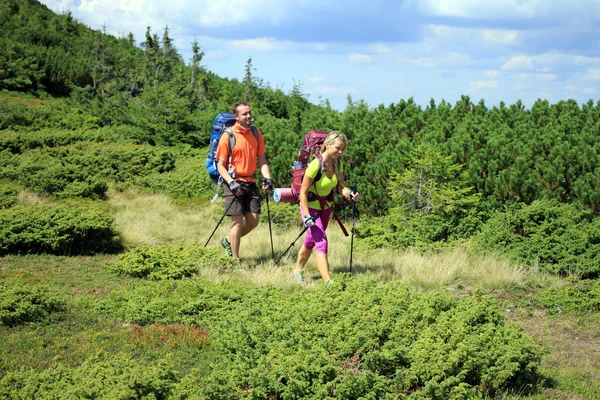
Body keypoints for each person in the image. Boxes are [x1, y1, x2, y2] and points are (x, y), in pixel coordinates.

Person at [292, 131, 358, 287]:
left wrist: (349, 193)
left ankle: (297, 270)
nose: (340, 152)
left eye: (343, 149)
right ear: (327, 145)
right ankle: (329, 282)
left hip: (326, 208)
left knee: (311, 241)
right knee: (321, 242)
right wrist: (307, 215)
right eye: (338, 148)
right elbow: (303, 192)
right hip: (311, 209)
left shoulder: (337, 163)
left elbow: (340, 187)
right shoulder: (316, 164)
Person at [216, 101, 273, 263]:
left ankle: (228, 241)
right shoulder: (228, 136)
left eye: (249, 113)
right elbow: (220, 165)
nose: (248, 116)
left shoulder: (256, 133)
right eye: (244, 114)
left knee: (253, 221)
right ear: (236, 116)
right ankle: (235, 260)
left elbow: (262, 160)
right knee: (237, 221)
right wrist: (231, 182)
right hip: (233, 182)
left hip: (250, 181)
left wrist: (267, 178)